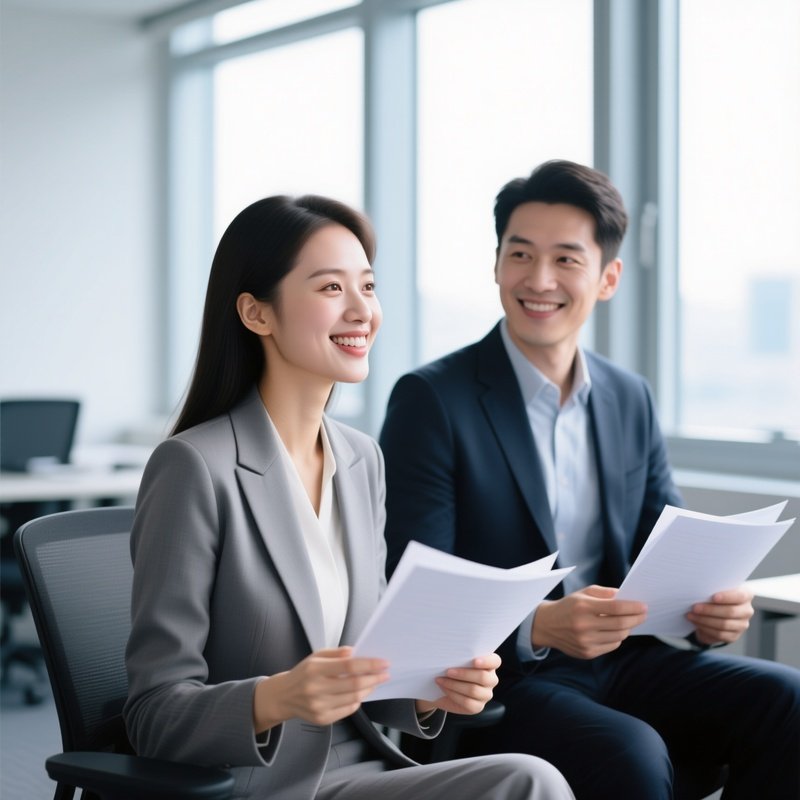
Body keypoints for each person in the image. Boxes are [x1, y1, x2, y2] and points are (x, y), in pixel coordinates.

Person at [123, 194, 573, 800]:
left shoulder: (361, 459)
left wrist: (431, 690)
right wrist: (275, 697)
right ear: (257, 314)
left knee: (529, 776)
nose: (363, 311)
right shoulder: (194, 467)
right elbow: (153, 716)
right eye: (332, 288)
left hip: (365, 772)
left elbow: (371, 666)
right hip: (260, 786)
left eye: (368, 286)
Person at [379, 161, 800, 800]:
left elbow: (668, 549)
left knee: (788, 700)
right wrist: (539, 625)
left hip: (624, 657)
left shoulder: (629, 396)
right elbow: (414, 593)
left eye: (566, 259)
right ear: (496, 265)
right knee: (629, 750)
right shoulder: (433, 399)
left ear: (607, 278)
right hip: (500, 678)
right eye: (521, 254)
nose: (539, 279)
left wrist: (710, 611)